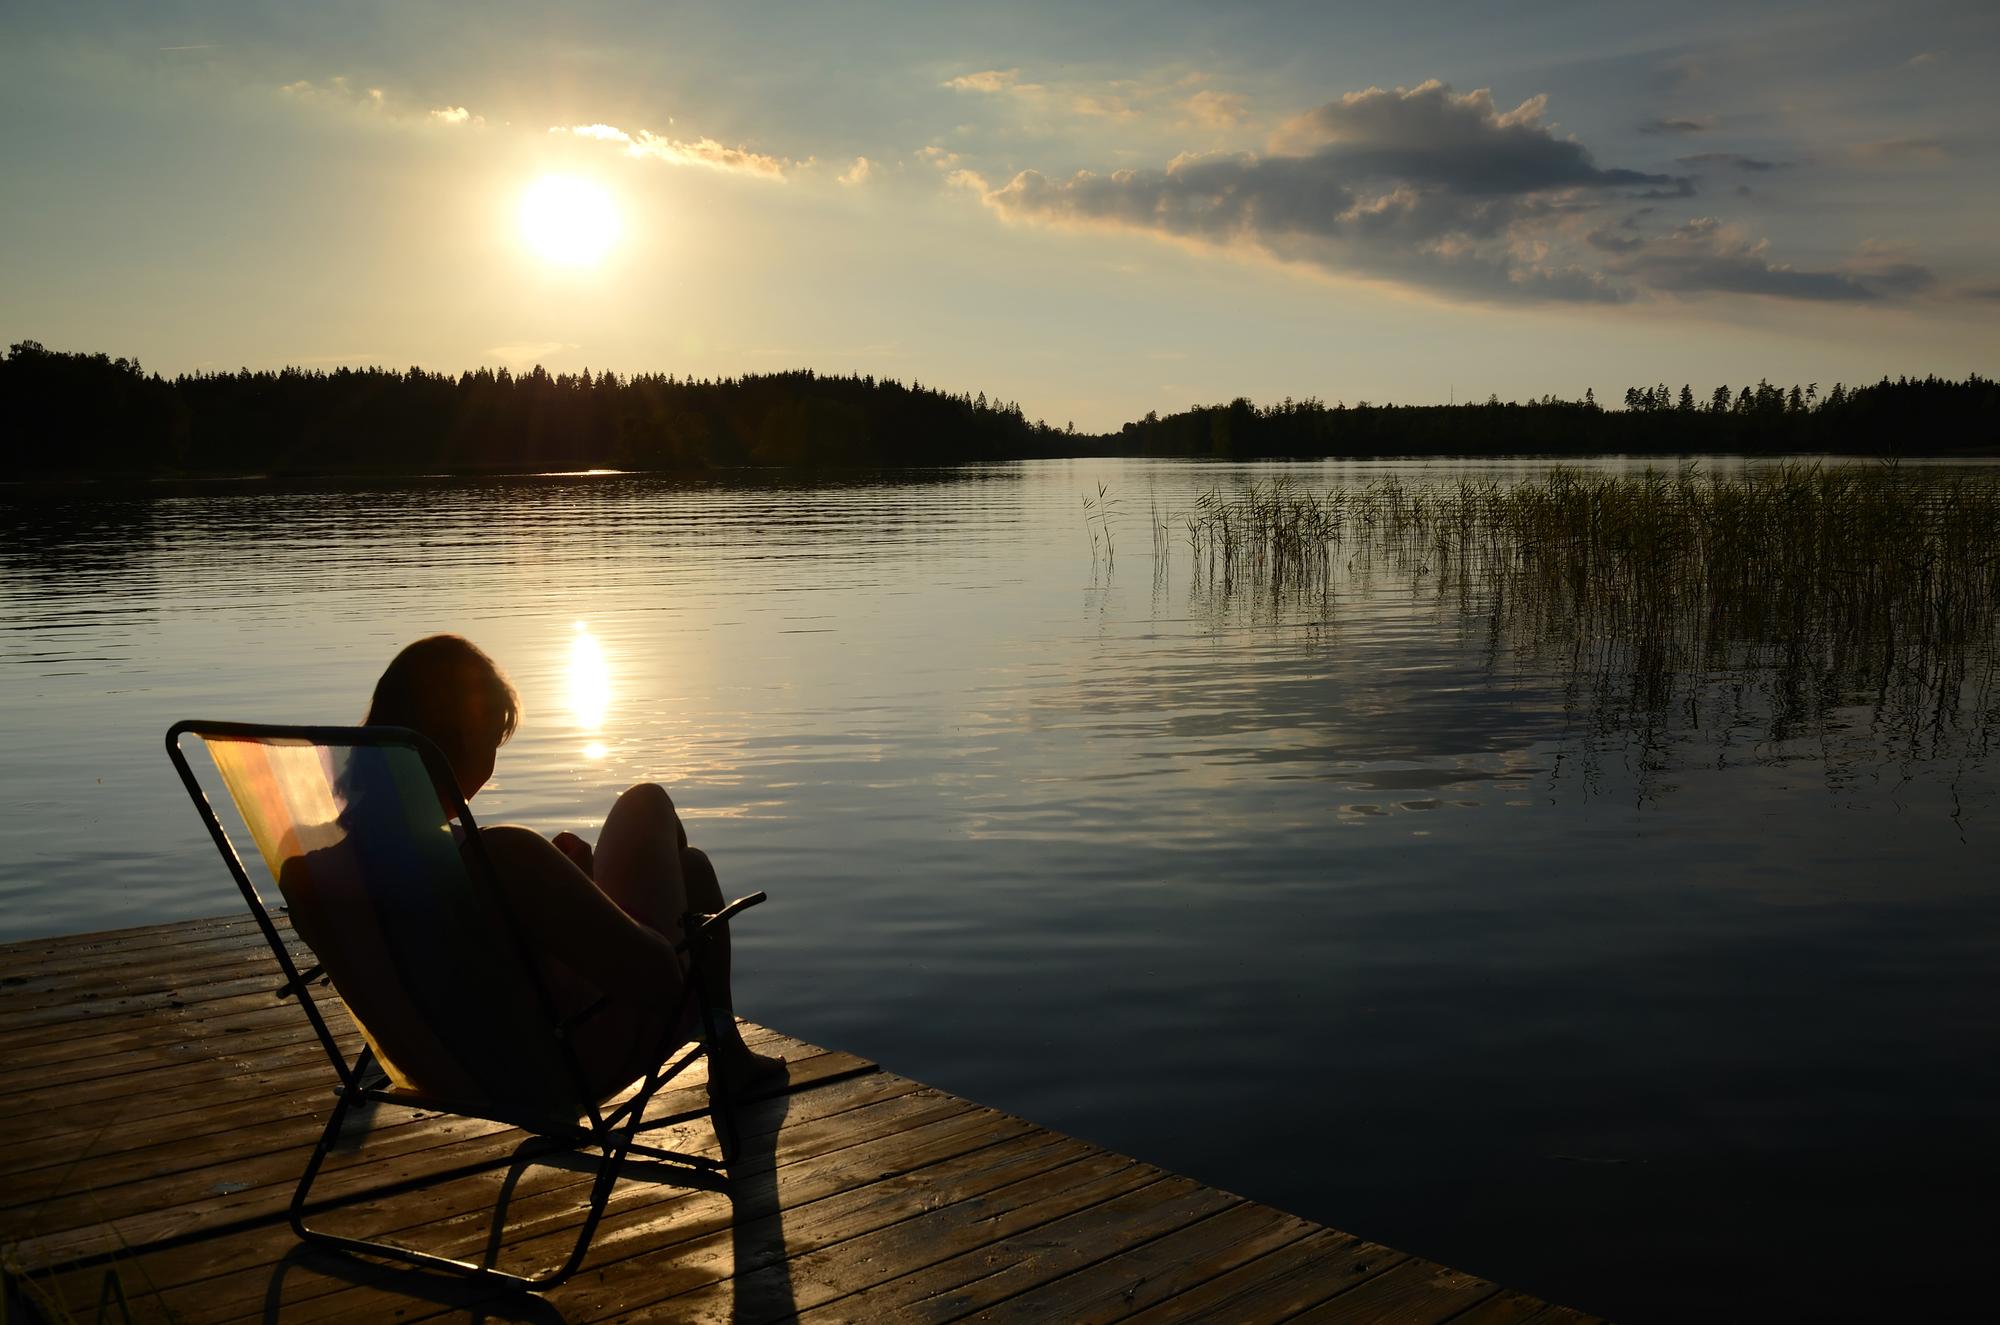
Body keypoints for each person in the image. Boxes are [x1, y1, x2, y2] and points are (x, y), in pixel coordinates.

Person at [363, 633, 784, 1100]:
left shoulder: (334, 865)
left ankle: (731, 1059)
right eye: (492, 738)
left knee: (689, 868)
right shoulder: (502, 855)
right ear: (459, 743)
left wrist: (567, 889)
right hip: (559, 1063)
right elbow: (658, 980)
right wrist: (570, 889)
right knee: (646, 805)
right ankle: (729, 1061)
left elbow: (483, 955)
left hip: (443, 1064)